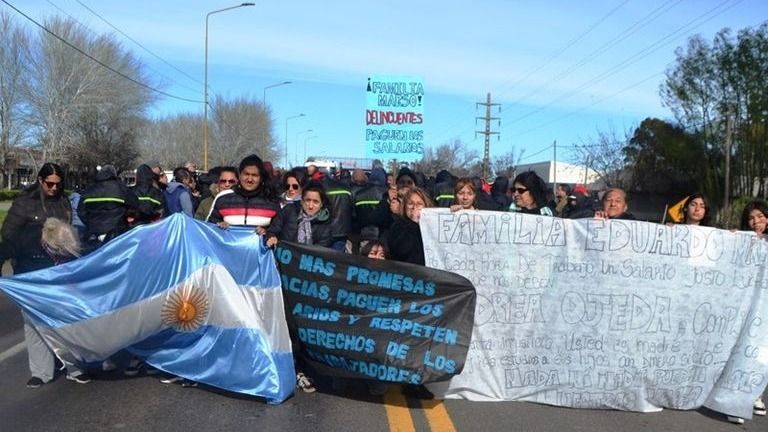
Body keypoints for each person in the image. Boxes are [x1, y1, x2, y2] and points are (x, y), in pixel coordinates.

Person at [0, 163, 92, 387]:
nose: (53, 188)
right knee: (33, 322)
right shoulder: (24, 202)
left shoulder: (64, 202)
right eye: (49, 183)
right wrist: (33, 240)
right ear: (40, 181)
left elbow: (71, 234)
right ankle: (41, 371)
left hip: (59, 270)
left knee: (65, 320)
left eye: (58, 184)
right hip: (30, 271)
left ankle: (74, 366)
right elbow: (8, 234)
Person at [727, 199, 768, 424]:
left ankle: (755, 394)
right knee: (743, 348)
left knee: (762, 354)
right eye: (751, 218)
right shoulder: (746, 240)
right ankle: (735, 400)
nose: (756, 222)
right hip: (747, 305)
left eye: (760, 217)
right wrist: (734, 240)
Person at [208, 154, 280, 230]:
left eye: (254, 175)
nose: (249, 179)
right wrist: (218, 225)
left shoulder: (272, 201)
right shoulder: (223, 199)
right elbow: (210, 227)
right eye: (246, 174)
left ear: (261, 178)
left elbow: (278, 231)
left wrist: (267, 232)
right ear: (239, 175)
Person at [78, 165, 142, 247]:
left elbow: (81, 212)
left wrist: (91, 224)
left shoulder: (89, 189)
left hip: (93, 234)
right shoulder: (121, 189)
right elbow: (135, 204)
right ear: (114, 175)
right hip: (117, 234)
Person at [265, 182, 332, 248]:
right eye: (308, 200)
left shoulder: (325, 223)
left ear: (322, 204)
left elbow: (322, 250)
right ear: (302, 201)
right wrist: (271, 238)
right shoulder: (289, 210)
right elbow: (272, 231)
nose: (311, 206)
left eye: (315, 202)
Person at [386, 187, 434, 266]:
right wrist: (414, 222)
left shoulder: (432, 226)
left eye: (419, 204)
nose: (414, 207)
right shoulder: (398, 226)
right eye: (410, 203)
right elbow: (401, 251)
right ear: (405, 206)